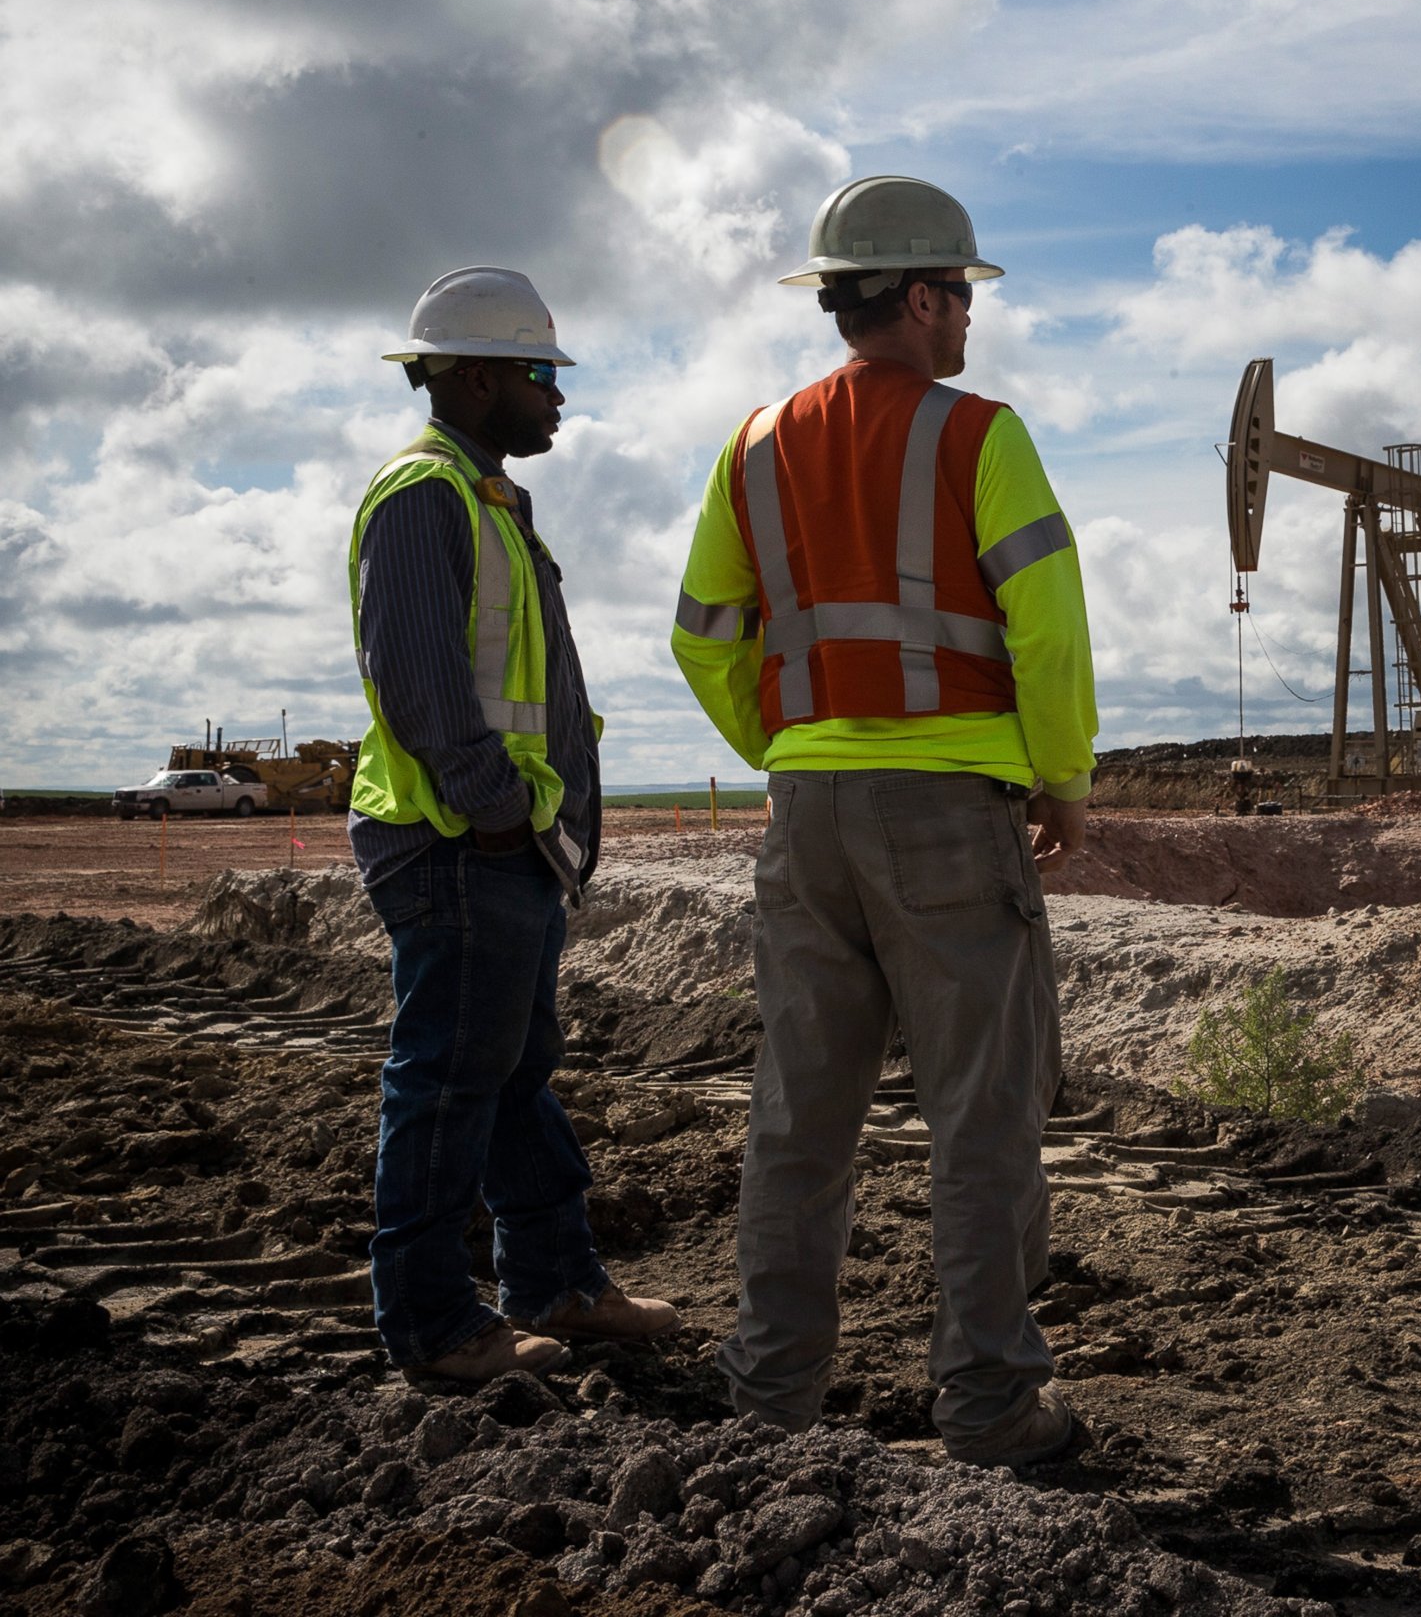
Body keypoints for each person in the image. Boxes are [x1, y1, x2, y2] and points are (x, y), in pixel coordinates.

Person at [671, 177, 1096, 1467]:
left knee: (799, 1120)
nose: (968, 315)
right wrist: (1061, 778)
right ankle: (988, 1411)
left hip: (805, 819)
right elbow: (1049, 625)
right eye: (960, 292)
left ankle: (769, 1402)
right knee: (982, 1117)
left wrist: (791, 748)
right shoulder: (983, 436)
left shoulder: (753, 445)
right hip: (952, 821)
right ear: (917, 298)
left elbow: (702, 638)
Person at [354, 267, 680, 1381]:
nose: (558, 395)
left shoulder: (491, 498)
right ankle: (434, 1323)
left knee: (509, 1070)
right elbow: (421, 681)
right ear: (480, 375)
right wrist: (497, 818)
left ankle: (557, 1283)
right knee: (449, 1077)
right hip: (459, 846)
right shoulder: (423, 496)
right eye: (542, 373)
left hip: (507, 849)